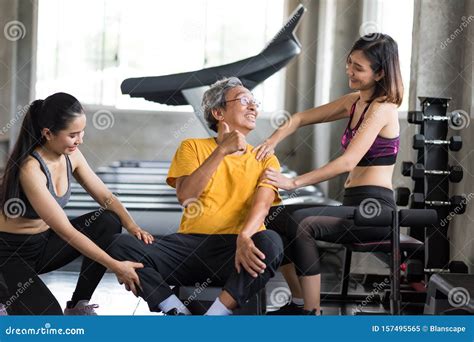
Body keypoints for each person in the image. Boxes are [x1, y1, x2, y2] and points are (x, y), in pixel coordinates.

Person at [255, 33, 403, 315]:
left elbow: (347, 163)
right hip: (352, 205)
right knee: (273, 216)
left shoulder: (383, 109)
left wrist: (294, 183)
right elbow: (299, 119)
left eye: (358, 68)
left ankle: (312, 313)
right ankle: (298, 301)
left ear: (380, 72)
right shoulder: (354, 102)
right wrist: (272, 141)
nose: (349, 71)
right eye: (349, 63)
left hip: (375, 211)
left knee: (303, 223)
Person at [109, 77, 284, 315]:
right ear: (219, 112)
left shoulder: (266, 158)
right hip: (188, 249)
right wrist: (222, 150)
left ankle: (215, 315)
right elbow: (186, 195)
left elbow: (263, 206)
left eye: (255, 102)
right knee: (120, 244)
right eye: (244, 100)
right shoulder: (192, 147)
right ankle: (174, 309)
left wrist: (245, 236)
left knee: (271, 241)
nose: (253, 107)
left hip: (236, 251)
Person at [0, 92, 153, 315]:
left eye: (82, 132)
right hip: (9, 256)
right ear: (48, 133)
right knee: (49, 320)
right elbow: (66, 231)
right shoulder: (31, 169)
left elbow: (105, 197)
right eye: (73, 134)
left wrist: (132, 226)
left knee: (107, 221)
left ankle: (78, 305)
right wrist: (116, 266)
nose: (80, 140)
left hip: (42, 247)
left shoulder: (72, 155)